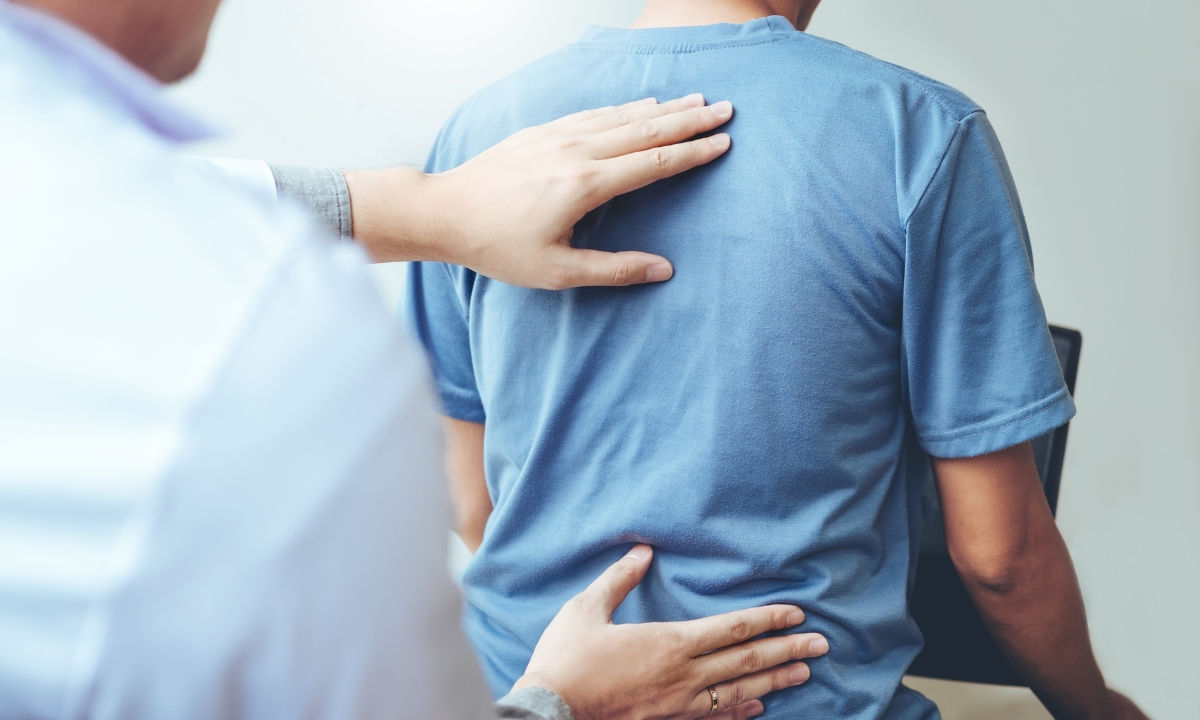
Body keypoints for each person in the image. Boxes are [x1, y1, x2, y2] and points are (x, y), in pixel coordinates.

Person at [0, 0, 835, 718]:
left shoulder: (482, 125)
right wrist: (560, 705)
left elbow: (471, 499)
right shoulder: (263, 330)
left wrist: (421, 206)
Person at [404, 0, 1151, 718]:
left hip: (518, 693)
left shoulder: (478, 133)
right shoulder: (917, 131)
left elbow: (469, 501)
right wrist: (1101, 712)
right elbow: (1001, 555)